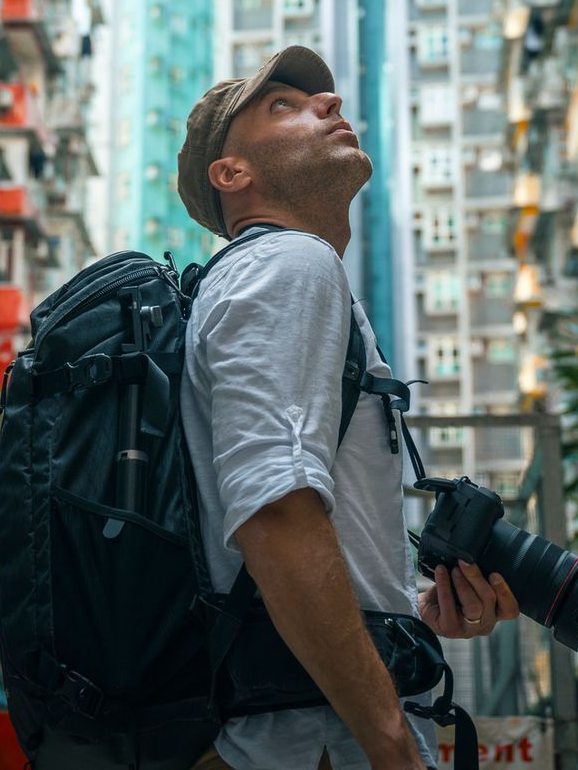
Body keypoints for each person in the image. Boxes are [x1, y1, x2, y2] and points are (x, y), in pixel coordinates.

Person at [175, 46, 520, 770]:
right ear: (231, 174)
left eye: (320, 98)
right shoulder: (287, 265)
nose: (328, 104)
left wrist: (414, 615)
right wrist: (390, 742)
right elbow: (272, 507)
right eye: (284, 106)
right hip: (310, 742)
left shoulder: (295, 279)